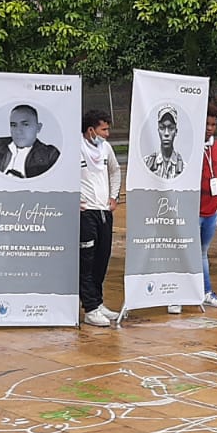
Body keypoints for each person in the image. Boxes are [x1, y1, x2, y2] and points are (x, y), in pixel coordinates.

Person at [79, 109, 122, 327]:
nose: (107, 134)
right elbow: (62, 175)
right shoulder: (75, 148)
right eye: (104, 129)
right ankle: (90, 308)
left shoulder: (106, 148)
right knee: (86, 261)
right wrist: (73, 199)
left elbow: (115, 171)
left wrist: (114, 197)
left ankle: (98, 301)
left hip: (104, 213)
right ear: (90, 130)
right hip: (85, 214)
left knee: (102, 259)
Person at [186, 109, 217, 311]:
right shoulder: (190, 145)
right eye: (206, 125)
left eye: (213, 125)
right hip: (193, 209)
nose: (210, 129)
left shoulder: (216, 145)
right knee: (187, 253)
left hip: (211, 209)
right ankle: (179, 295)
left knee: (202, 252)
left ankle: (205, 292)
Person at [0, 103, 60, 178]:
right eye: (13, 125)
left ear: (38, 128)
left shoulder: (50, 155)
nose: (18, 131)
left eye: (25, 124)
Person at [144, 105, 184, 179]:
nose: (166, 133)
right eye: (162, 128)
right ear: (158, 130)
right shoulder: (146, 164)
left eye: (171, 128)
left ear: (176, 131)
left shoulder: (184, 168)